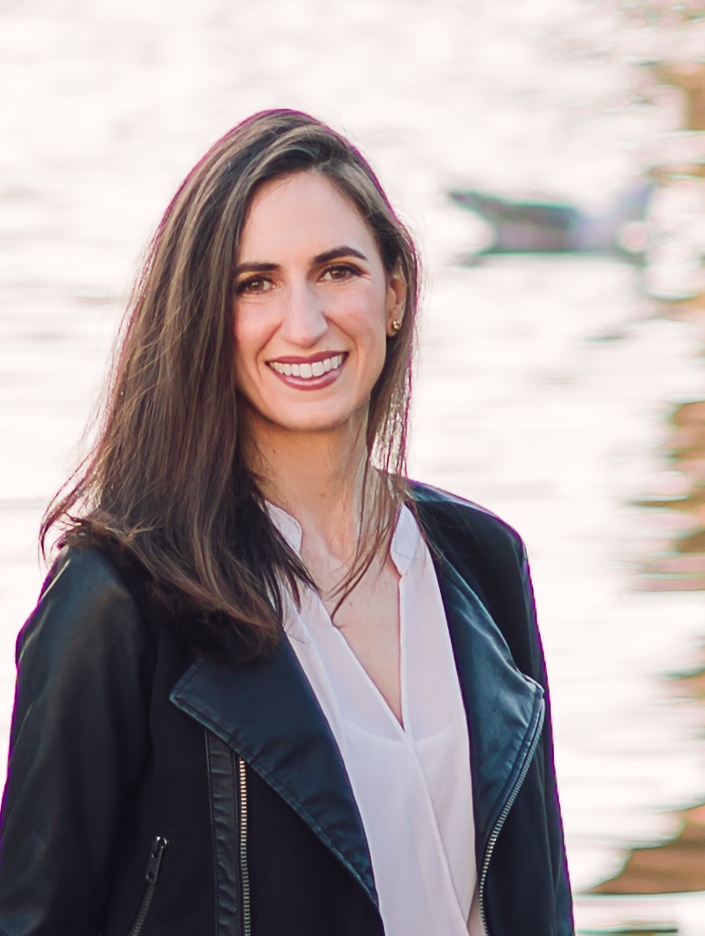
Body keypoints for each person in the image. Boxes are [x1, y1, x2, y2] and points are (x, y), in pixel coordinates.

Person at [0, 109, 573, 936]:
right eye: (254, 283)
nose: (303, 324)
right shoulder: (116, 602)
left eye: (337, 271)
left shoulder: (480, 562)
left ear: (395, 293)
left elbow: (539, 900)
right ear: (203, 317)